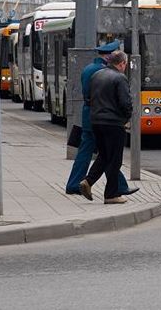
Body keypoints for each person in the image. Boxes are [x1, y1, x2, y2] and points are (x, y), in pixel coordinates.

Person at [66, 42, 136, 197]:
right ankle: (113, 188)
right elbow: (121, 101)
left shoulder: (89, 69)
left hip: (91, 115)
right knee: (109, 154)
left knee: (95, 152)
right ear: (109, 56)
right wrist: (124, 117)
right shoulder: (104, 72)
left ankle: (76, 183)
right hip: (104, 117)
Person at [79, 51, 133, 204]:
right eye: (125, 65)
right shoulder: (120, 78)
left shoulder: (97, 75)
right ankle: (111, 194)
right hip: (114, 123)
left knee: (104, 155)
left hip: (96, 121)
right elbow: (125, 103)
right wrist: (127, 118)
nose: (125, 67)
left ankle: (87, 182)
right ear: (122, 63)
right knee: (115, 159)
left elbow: (88, 97)